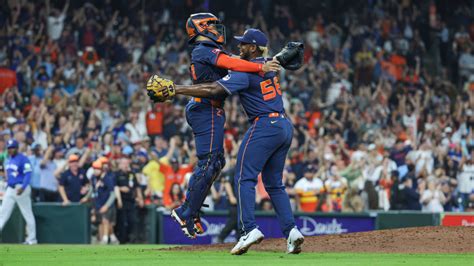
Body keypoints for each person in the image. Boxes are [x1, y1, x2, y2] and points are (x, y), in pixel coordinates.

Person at [149, 28, 304, 255]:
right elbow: (263, 62)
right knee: (274, 183)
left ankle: (248, 229)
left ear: (252, 48)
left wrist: (176, 89)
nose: (238, 47)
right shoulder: (267, 65)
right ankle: (292, 231)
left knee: (243, 176)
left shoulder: (244, 72)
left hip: (264, 126)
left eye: (243, 44)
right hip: (284, 126)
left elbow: (213, 89)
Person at [168, 13, 280, 239]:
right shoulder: (203, 49)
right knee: (210, 161)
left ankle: (191, 210)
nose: (219, 29)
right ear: (203, 28)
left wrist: (275, 61)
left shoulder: (209, 49)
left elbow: (236, 63)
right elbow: (231, 63)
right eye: (214, 25)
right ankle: (186, 211)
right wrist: (260, 67)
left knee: (216, 162)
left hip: (209, 108)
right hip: (205, 107)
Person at [0, 139, 37, 244]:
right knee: (2, 213)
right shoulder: (9, 160)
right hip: (10, 189)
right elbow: (9, 176)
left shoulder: (23, 159)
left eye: (12, 148)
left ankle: (32, 239)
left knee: (27, 214)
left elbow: (28, 173)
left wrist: (24, 187)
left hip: (21, 188)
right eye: (9, 148)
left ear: (17, 148)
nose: (11, 150)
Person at [114, 157, 143, 243]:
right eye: (124, 163)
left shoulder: (131, 174)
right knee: (121, 221)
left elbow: (137, 187)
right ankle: (121, 240)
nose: (126, 165)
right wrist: (120, 188)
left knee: (132, 220)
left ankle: (129, 239)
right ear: (120, 164)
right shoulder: (116, 174)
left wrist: (140, 198)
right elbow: (113, 187)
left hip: (131, 200)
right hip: (121, 201)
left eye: (127, 163)